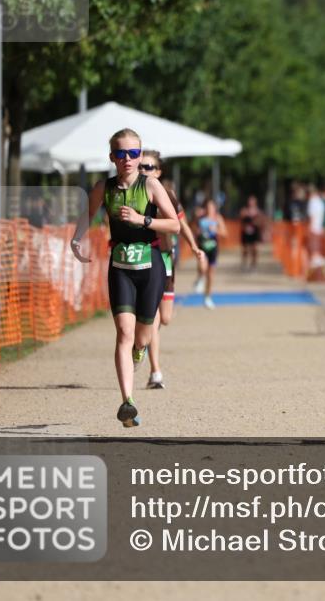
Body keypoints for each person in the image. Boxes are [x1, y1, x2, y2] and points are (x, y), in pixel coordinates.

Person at [70, 128, 181, 427]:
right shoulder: (102, 188)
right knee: (123, 331)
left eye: (134, 153)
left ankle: (141, 351)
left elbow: (175, 225)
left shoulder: (152, 185)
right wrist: (76, 238)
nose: (128, 159)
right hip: (120, 268)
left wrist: (143, 220)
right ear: (112, 157)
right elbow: (88, 213)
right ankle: (127, 402)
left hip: (151, 266)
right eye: (122, 153)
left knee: (142, 337)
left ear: (140, 155)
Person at [137, 150, 206, 389]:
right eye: (141, 166)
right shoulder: (131, 194)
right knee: (154, 318)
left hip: (166, 260)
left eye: (149, 167)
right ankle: (156, 372)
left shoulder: (167, 195)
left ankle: (142, 341)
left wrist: (195, 248)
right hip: (145, 259)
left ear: (158, 171)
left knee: (165, 318)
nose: (143, 170)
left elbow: (182, 224)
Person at [194, 198, 227, 310]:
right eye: (207, 207)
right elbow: (195, 229)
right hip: (202, 247)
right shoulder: (201, 218)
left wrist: (216, 229)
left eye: (211, 207)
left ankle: (207, 297)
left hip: (213, 248)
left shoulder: (217, 218)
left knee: (211, 275)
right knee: (203, 267)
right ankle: (200, 279)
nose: (209, 209)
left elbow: (224, 233)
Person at [239, 195, 264, 272]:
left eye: (252, 201)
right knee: (245, 249)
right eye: (250, 201)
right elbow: (241, 220)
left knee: (255, 249)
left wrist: (255, 222)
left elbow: (261, 222)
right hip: (246, 233)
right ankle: (244, 264)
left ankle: (254, 265)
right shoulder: (244, 211)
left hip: (255, 233)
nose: (251, 203)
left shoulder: (258, 212)